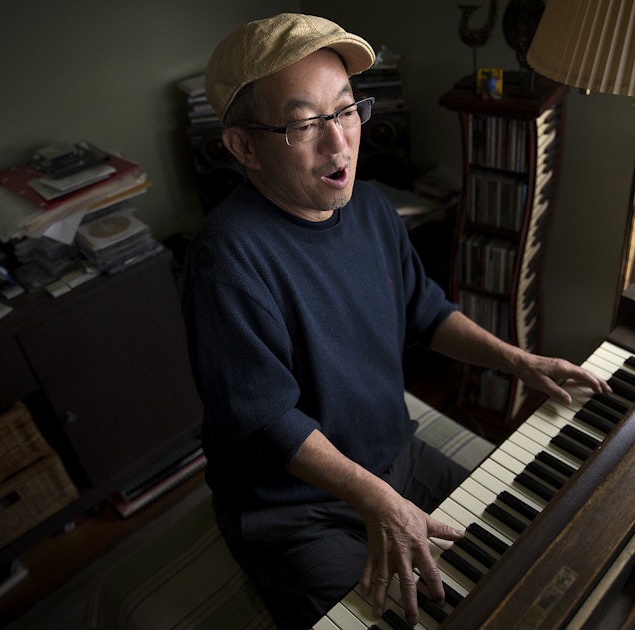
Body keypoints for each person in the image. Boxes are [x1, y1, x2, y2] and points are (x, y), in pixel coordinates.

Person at [181, 13, 611, 629]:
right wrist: (381, 503)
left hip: (394, 456)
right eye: (304, 123)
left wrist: (520, 360)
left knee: (525, 545)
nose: (339, 144)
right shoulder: (227, 259)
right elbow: (263, 420)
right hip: (292, 509)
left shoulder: (371, 207)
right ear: (243, 146)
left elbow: (427, 313)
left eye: (346, 110)